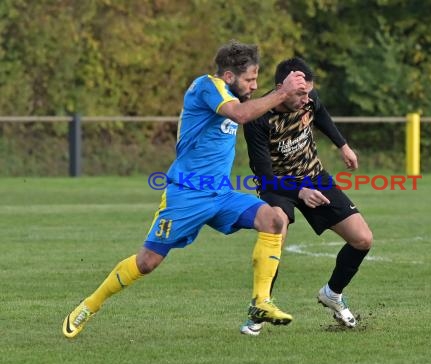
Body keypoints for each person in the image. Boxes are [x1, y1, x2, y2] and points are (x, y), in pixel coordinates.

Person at [62, 41, 307, 338]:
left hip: (221, 194)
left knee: (275, 219)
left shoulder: (234, 94)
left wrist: (292, 94)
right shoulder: (207, 86)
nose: (255, 86)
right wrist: (281, 92)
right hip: (186, 194)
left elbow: (253, 109)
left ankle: (261, 302)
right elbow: (241, 115)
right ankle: (90, 304)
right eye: (250, 79)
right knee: (147, 262)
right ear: (229, 76)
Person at [240, 57, 373, 336]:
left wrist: (343, 146)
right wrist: (299, 191)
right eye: (299, 94)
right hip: (278, 185)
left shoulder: (308, 96)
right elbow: (263, 176)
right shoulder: (258, 119)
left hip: (314, 177)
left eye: (308, 92)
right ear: (281, 88)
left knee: (362, 239)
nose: (305, 99)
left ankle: (332, 294)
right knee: (275, 232)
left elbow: (321, 114)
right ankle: (260, 309)